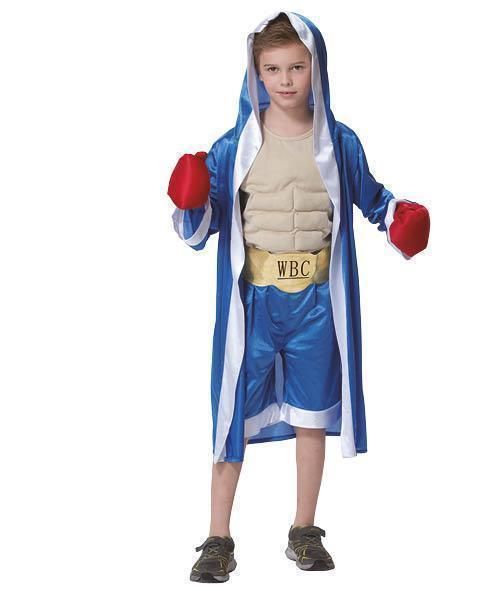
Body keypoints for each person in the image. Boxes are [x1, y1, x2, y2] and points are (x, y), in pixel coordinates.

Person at [167, 11, 430, 583]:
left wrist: (400, 220)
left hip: (315, 303)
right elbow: (201, 227)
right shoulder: (234, 145)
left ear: (317, 68)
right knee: (230, 417)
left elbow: (373, 199)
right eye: (272, 69)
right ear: (256, 72)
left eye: (296, 67)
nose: (285, 80)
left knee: (312, 418)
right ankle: (218, 538)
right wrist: (190, 202)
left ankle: (303, 530)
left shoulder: (338, 142)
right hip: (255, 304)